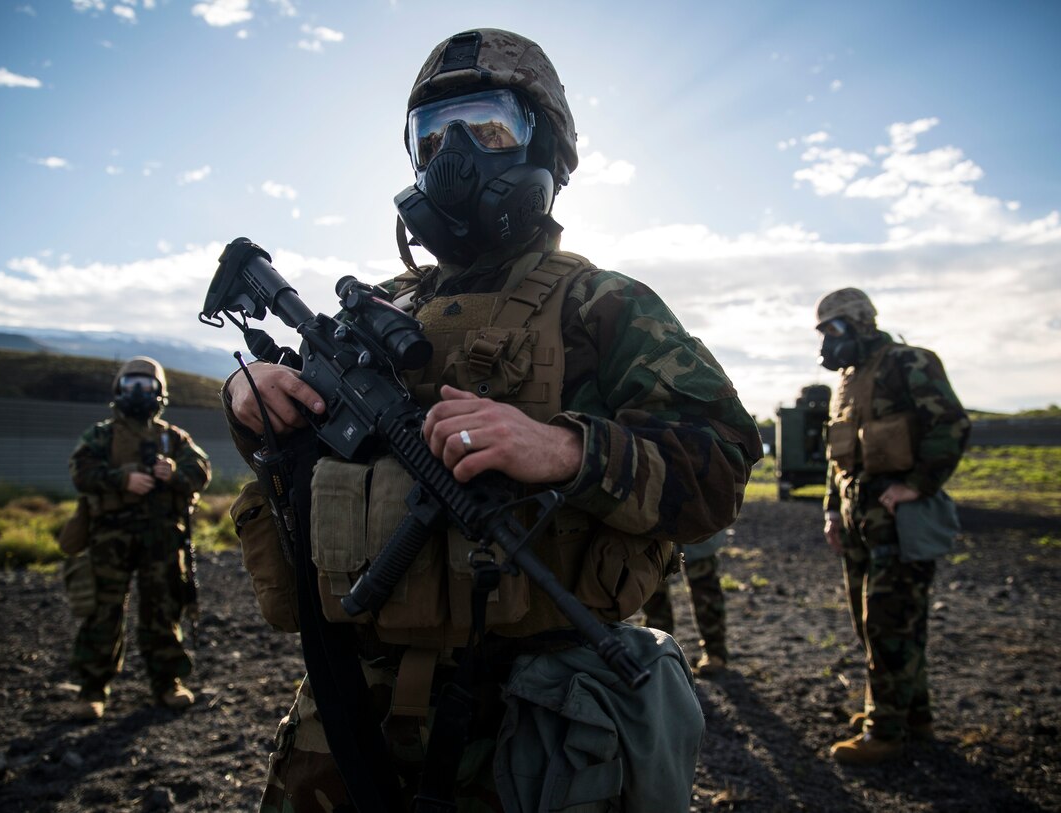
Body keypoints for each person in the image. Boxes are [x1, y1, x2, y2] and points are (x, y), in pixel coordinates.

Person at [223, 29, 763, 811]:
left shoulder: (604, 305)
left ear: (544, 141)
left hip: (531, 717)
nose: (454, 154)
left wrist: (565, 448)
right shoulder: (381, 306)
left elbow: (720, 468)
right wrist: (252, 402)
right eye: (431, 135)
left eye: (486, 125)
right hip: (347, 709)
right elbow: (301, 450)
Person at [815, 288, 970, 765]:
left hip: (900, 524)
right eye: (823, 332)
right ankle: (912, 715)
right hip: (858, 523)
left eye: (835, 329)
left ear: (861, 322)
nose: (828, 342)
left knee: (890, 624)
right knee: (875, 626)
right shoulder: (847, 380)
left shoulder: (909, 362)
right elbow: (836, 456)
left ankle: (884, 730)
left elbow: (951, 424)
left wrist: (917, 484)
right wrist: (829, 511)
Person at [67, 356, 211, 720]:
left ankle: (167, 684)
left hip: (162, 539)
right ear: (119, 390)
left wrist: (174, 472)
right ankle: (92, 689)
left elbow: (201, 470)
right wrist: (122, 478)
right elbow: (81, 471)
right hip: (110, 539)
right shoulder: (101, 435)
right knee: (102, 612)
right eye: (131, 385)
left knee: (163, 611)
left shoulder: (173, 438)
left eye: (146, 387)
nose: (138, 393)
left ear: (159, 393)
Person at [641, 530, 731, 677]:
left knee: (704, 582)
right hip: (653, 517)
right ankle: (657, 649)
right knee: (652, 581)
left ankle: (716, 651)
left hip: (696, 515)